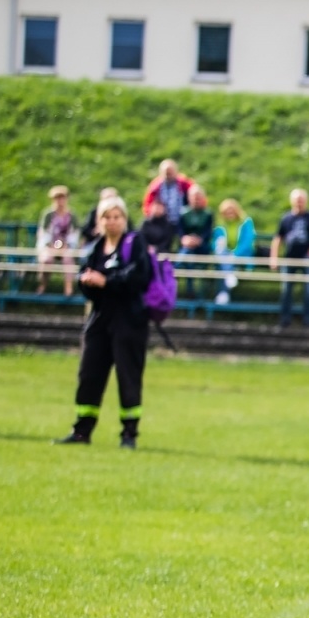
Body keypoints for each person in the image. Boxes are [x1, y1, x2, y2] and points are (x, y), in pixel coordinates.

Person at [54, 194, 153, 449]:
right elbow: (84, 277)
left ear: (124, 219)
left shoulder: (135, 243)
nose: (112, 222)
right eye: (106, 217)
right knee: (89, 374)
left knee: (128, 376)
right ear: (99, 221)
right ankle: (82, 430)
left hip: (129, 321)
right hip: (99, 319)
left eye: (116, 217)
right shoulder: (95, 248)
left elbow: (139, 276)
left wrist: (107, 281)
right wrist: (87, 283)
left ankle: (129, 434)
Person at [271, 189, 309, 329]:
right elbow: (278, 238)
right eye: (297, 199)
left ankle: (308, 321)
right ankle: (285, 320)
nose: (299, 202)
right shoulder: (286, 218)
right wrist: (274, 257)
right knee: (286, 290)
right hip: (290, 258)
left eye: (301, 199)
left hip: (305, 258)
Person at [35, 185, 79, 296]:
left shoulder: (72, 215)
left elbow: (74, 234)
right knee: (46, 260)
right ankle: (43, 285)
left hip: (66, 246)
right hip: (50, 245)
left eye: (62, 197)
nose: (60, 201)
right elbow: (43, 233)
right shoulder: (48, 215)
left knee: (68, 259)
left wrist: (66, 244)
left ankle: (68, 288)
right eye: (57, 198)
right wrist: (50, 244)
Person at [212, 198, 256, 306]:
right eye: (227, 212)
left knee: (224, 263)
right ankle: (229, 275)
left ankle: (224, 293)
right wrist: (219, 244)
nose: (229, 214)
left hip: (241, 255)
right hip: (225, 255)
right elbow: (213, 242)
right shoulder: (220, 225)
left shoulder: (246, 222)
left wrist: (235, 254)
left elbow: (247, 242)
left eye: (231, 211)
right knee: (221, 253)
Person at [177, 185, 215, 300]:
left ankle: (176, 267)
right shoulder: (183, 213)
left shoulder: (208, 214)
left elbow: (208, 232)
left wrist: (198, 240)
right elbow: (180, 232)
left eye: (198, 197)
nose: (196, 200)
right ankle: (191, 292)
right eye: (194, 197)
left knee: (188, 256)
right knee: (189, 258)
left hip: (202, 247)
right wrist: (185, 239)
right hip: (187, 246)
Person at [142, 159, 194, 242]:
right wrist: (151, 213)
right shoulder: (156, 186)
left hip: (181, 219)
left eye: (171, 172)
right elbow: (148, 204)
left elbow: (195, 194)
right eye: (166, 172)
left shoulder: (184, 184)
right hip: (163, 222)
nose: (168, 174)